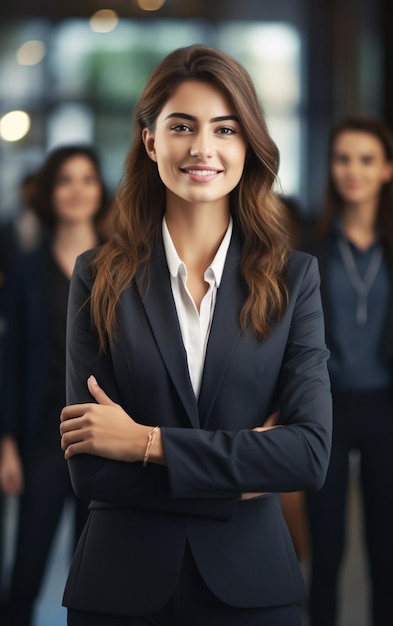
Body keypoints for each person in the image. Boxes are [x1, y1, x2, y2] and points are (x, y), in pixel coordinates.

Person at [59, 44, 332, 626]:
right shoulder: (97, 275)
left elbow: (307, 455)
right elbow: (91, 469)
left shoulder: (293, 278)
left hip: (254, 589)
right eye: (182, 126)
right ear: (151, 139)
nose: (203, 148)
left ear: (247, 144)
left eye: (225, 129)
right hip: (120, 589)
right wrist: (244, 472)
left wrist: (143, 443)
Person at [0, 145, 110, 626]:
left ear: (99, 190)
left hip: (105, 436)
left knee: (96, 579)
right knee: (26, 568)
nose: (77, 189)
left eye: (87, 178)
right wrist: (6, 444)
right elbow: (9, 360)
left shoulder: (120, 265)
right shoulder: (25, 268)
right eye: (66, 179)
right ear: (50, 191)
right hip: (42, 434)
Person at [305, 116, 393, 626]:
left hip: (385, 407)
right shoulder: (311, 246)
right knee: (328, 550)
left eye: (366, 159)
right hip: (327, 407)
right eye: (343, 159)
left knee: (386, 553)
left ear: (386, 170)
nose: (352, 171)